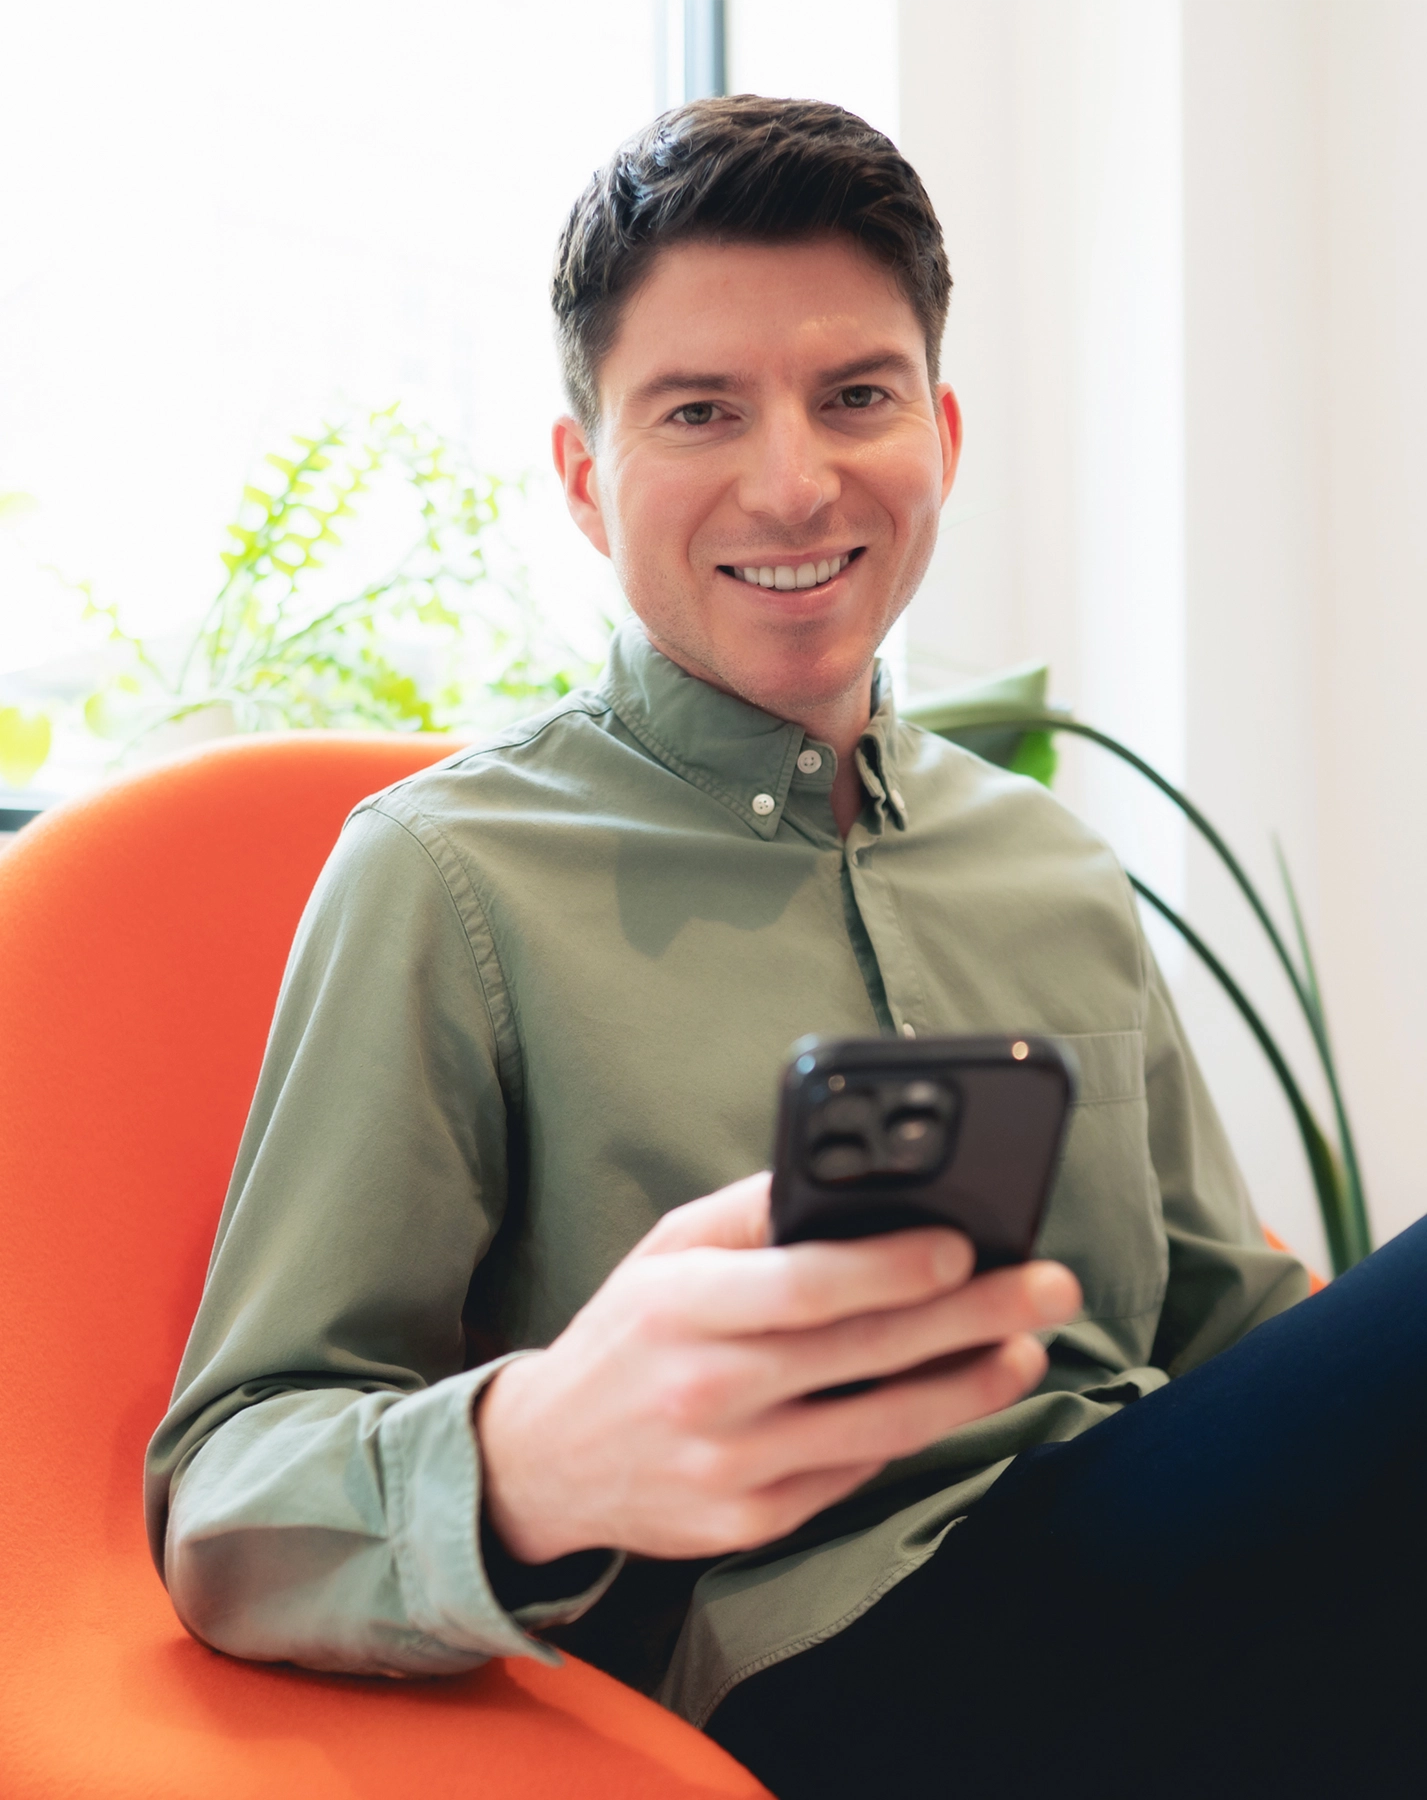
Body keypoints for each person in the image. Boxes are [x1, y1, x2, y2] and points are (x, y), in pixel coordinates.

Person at [145, 98, 1425, 1798]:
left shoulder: (1045, 861)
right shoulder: (448, 878)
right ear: (585, 478)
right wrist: (532, 1457)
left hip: (1167, 1592)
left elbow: (1235, 1338)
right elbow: (229, 1497)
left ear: (941, 435)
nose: (791, 478)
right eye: (698, 410)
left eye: (855, 397)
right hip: (821, 1676)